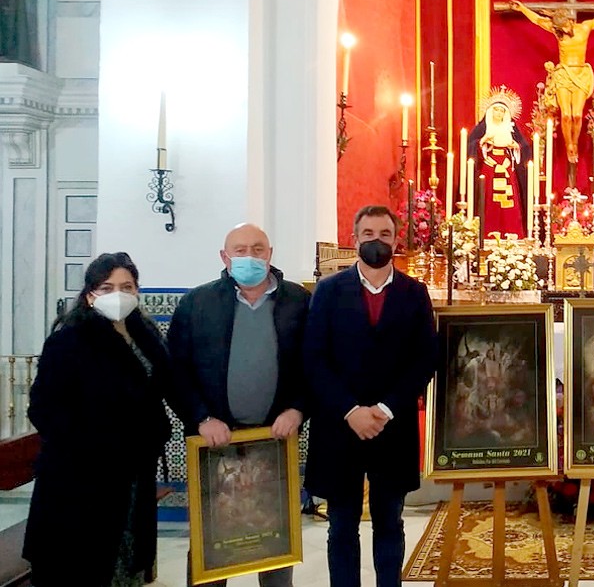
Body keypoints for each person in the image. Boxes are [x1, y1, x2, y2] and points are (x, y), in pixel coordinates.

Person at [166, 223, 309, 587]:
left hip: (275, 441)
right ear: (224, 257)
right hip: (215, 441)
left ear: (270, 254)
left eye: (258, 249)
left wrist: (297, 408)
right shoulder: (197, 303)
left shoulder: (298, 301)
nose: (250, 256)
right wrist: (200, 418)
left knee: (274, 537)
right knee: (212, 545)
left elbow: (315, 364)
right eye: (240, 249)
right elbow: (175, 371)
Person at [304, 205, 438, 587]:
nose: (376, 242)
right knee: (342, 525)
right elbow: (314, 358)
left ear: (396, 241)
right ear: (354, 239)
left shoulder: (415, 293)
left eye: (384, 235)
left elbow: (424, 358)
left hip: (390, 428)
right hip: (339, 427)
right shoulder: (329, 291)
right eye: (368, 234)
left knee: (389, 524)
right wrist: (350, 410)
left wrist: (384, 408)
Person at [23, 253, 171, 586]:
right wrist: (91, 446)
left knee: (125, 560)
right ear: (90, 295)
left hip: (132, 475)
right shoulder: (69, 340)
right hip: (82, 480)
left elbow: (159, 391)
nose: (117, 294)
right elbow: (43, 408)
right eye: (107, 287)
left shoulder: (146, 336)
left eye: (126, 286)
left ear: (136, 291)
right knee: (84, 566)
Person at [507, 0, 594, 167]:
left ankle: (575, 141)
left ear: (570, 20)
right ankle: (570, 145)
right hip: (563, 74)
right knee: (566, 115)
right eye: (561, 29)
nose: (565, 30)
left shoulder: (584, 28)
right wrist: (522, 8)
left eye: (566, 26)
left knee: (576, 115)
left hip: (580, 73)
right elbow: (537, 21)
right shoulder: (558, 33)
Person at [468, 86, 532, 237]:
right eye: (496, 110)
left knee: (509, 200)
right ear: (490, 111)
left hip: (506, 168)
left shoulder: (511, 129)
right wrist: (483, 141)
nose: (499, 113)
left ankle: (511, 232)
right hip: (489, 168)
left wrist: (515, 147)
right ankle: (488, 232)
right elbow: (470, 145)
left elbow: (524, 148)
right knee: (490, 200)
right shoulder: (482, 128)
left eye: (502, 111)